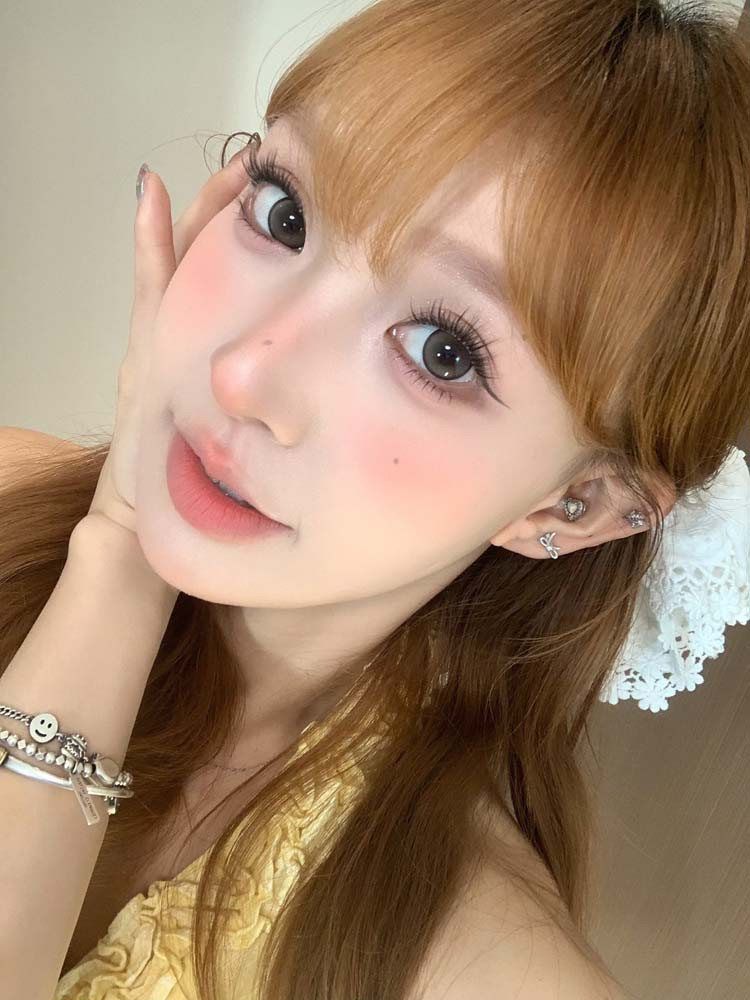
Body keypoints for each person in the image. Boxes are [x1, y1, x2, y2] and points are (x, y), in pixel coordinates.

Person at [0, 1, 748, 997]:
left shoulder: (489, 972)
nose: (243, 375)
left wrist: (123, 557)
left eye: (443, 353)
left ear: (574, 505)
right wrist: (114, 557)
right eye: (284, 213)